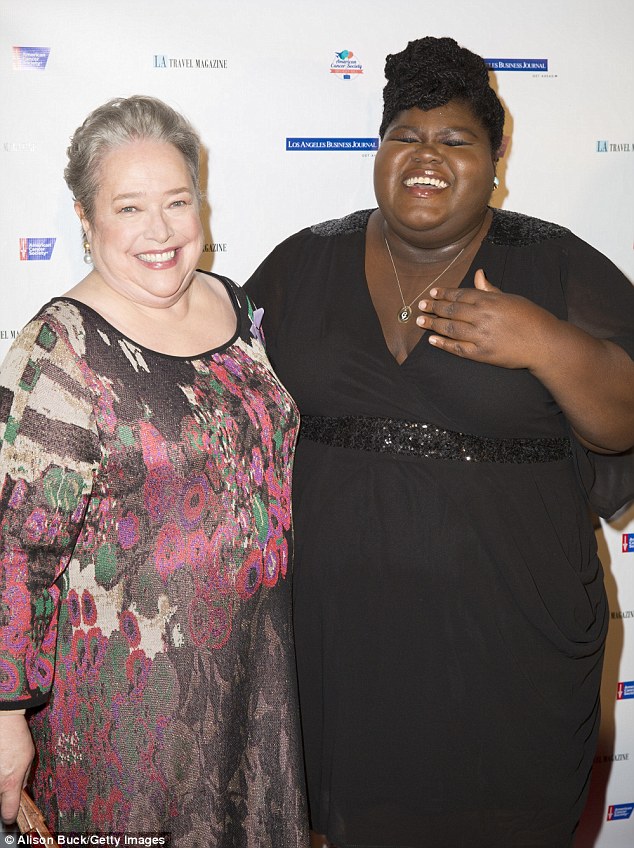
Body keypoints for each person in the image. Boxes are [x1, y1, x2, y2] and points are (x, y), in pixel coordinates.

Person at [245, 36, 634, 848]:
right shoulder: (301, 260)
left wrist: (542, 342)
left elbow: (624, 420)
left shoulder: (552, 262)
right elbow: (219, 405)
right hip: (340, 651)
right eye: (404, 135)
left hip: (506, 654)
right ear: (380, 152)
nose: (426, 155)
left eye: (455, 139)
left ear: (496, 159)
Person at [0, 95, 308, 847]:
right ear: (84, 215)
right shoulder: (59, 352)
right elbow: (13, 555)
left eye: (178, 201)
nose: (161, 230)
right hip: (127, 718)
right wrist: (6, 718)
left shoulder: (239, 307)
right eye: (130, 206)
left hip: (256, 683)